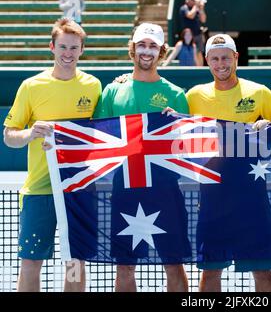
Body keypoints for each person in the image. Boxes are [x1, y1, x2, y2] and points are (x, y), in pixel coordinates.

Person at [3, 18, 101, 292]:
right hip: (39, 190)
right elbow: (9, 136)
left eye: (74, 47)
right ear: (52, 47)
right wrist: (30, 133)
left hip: (78, 190)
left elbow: (103, 132)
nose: (68, 53)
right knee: (31, 262)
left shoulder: (93, 86)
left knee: (75, 263)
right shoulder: (31, 86)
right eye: (63, 47)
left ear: (82, 50)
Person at [93, 22, 190, 292]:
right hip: (124, 190)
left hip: (165, 191)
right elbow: (98, 139)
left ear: (161, 52)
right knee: (125, 265)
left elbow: (186, 149)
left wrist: (175, 125)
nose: (146, 51)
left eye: (153, 46)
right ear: (132, 49)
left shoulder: (175, 95)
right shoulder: (112, 91)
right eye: (142, 45)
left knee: (173, 263)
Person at [186, 34, 271, 292]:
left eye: (226, 58)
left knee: (261, 271)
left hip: (251, 197)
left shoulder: (260, 93)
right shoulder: (194, 97)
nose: (221, 64)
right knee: (210, 273)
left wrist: (270, 126)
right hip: (211, 198)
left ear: (236, 58)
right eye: (215, 58)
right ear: (207, 60)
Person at [179, 0, 207, 66]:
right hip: (188, 36)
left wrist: (201, 9)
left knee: (199, 52)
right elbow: (190, 16)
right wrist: (196, 6)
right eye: (193, 0)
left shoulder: (196, 9)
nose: (195, 2)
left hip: (198, 34)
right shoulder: (184, 8)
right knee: (190, 52)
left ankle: (200, 69)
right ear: (188, 0)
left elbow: (203, 20)